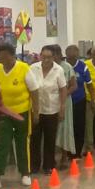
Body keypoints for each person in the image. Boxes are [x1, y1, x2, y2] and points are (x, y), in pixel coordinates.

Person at [0, 42, 39, 189]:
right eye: (0, 57)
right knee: (2, 144)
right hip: (4, 113)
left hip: (22, 112)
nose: (2, 60)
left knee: (22, 143)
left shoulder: (23, 68)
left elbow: (34, 91)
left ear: (12, 55)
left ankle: (25, 174)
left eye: (5, 57)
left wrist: (36, 112)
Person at [27, 45, 68, 174]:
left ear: (53, 57)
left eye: (49, 57)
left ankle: (49, 165)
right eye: (44, 57)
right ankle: (34, 166)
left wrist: (62, 107)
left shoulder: (58, 70)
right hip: (36, 109)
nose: (46, 60)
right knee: (35, 139)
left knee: (50, 139)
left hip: (52, 109)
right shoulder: (33, 68)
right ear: (40, 56)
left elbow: (63, 89)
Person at [51, 44, 79, 166]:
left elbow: (74, 86)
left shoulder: (66, 67)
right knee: (52, 129)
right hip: (51, 102)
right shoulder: (48, 67)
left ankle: (64, 156)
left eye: (53, 55)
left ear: (58, 54)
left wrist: (63, 94)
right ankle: (51, 158)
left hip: (65, 102)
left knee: (64, 129)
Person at [66, 44, 90, 158]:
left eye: (73, 57)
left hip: (79, 100)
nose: (71, 59)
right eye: (69, 57)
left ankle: (77, 151)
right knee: (68, 127)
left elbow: (89, 84)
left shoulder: (83, 66)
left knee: (79, 126)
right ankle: (68, 151)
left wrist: (93, 99)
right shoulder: (62, 66)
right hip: (66, 101)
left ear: (77, 55)